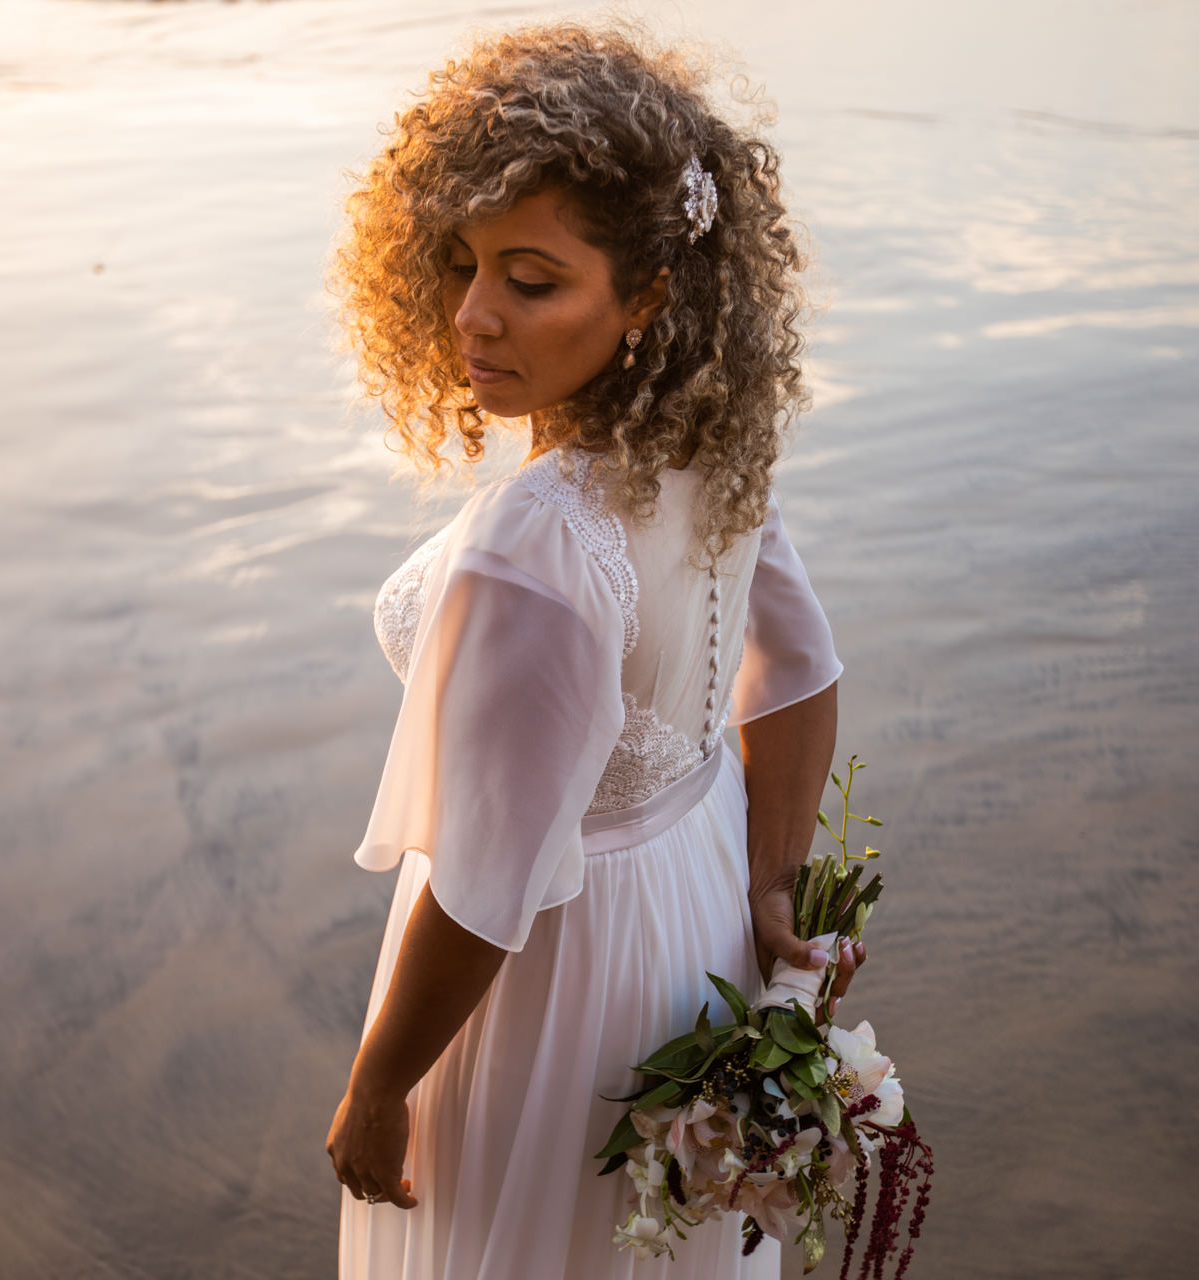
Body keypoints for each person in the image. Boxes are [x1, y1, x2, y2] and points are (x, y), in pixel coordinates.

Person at [326, 23, 854, 1279]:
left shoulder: (537, 541)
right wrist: (769, 883)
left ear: (649, 295)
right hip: (686, 913)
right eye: (462, 266)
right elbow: (801, 671)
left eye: (531, 278)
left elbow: (487, 887)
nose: (472, 315)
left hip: (558, 981)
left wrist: (381, 1084)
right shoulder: (710, 448)